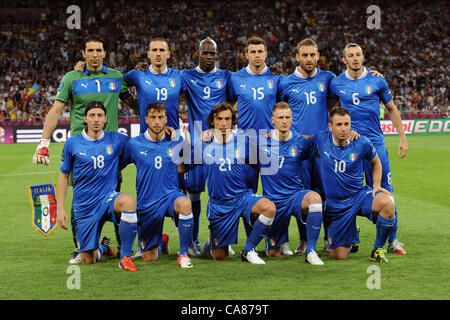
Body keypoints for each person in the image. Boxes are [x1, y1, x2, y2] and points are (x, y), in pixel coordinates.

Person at [33, 35, 136, 263]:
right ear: (84, 53)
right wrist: (43, 142)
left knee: (117, 198)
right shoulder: (72, 78)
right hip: (80, 151)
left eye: (99, 50)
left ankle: (123, 249)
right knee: (78, 201)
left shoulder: (115, 77)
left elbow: (135, 100)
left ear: (104, 53)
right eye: (90, 50)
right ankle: (85, 246)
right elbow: (56, 110)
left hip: (109, 152)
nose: (95, 54)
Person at [329, 43, 407, 255]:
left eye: (358, 55)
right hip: (348, 147)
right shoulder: (336, 83)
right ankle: (350, 237)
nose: (355, 59)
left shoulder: (377, 80)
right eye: (351, 56)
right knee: (347, 192)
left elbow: (391, 109)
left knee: (385, 191)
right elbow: (327, 109)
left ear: (363, 57)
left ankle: (393, 241)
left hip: (376, 145)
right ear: (344, 59)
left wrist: (402, 137)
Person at [183, 102, 276, 265]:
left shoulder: (244, 141)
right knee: (220, 257)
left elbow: (258, 163)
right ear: (212, 121)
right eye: (219, 119)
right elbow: (183, 165)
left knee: (269, 208)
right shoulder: (203, 144)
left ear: (233, 121)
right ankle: (213, 240)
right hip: (220, 205)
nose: (224, 123)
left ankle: (248, 250)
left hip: (243, 198)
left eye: (227, 119)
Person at [57, 101, 138, 271]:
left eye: (99, 115)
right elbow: (64, 176)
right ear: (85, 118)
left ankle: (126, 257)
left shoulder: (117, 139)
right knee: (88, 259)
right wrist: (60, 208)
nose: (96, 119)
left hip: (108, 198)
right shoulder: (72, 143)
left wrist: (170, 133)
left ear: (105, 119)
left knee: (128, 202)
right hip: (85, 205)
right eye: (92, 115)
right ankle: (103, 248)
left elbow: (142, 143)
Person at [313, 107, 397, 262]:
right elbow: (303, 140)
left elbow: (376, 162)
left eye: (347, 124)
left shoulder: (361, 142)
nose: (344, 128)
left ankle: (377, 249)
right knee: (338, 256)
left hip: (359, 196)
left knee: (388, 204)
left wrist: (376, 185)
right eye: (339, 124)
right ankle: (352, 236)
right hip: (336, 206)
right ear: (330, 126)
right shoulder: (321, 139)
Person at [120, 103, 194, 269]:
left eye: (160, 117)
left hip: (170, 196)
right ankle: (162, 241)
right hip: (147, 203)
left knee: (185, 203)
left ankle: (183, 254)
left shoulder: (176, 141)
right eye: (153, 117)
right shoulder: (134, 144)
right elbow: (118, 166)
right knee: (149, 258)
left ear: (166, 119)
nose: (156, 121)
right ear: (146, 119)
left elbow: (184, 165)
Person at [180, 38, 232, 256]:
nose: (209, 57)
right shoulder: (186, 75)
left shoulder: (226, 77)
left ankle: (219, 239)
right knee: (193, 194)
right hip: (196, 144)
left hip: (221, 145)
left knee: (222, 193)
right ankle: (192, 241)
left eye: (213, 53)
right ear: (198, 53)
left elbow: (240, 100)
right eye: (206, 53)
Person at [259, 102, 324, 265]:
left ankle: (311, 250)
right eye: (280, 117)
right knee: (273, 254)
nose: (284, 121)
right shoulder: (259, 142)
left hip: (295, 197)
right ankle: (278, 242)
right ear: (273, 120)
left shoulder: (300, 142)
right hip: (274, 203)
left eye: (287, 117)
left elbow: (324, 147)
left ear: (292, 119)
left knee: (315, 199)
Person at [123, 38, 185, 133]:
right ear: (149, 54)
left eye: (162, 50)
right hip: (146, 139)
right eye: (154, 50)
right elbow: (118, 83)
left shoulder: (178, 76)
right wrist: (134, 103)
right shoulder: (138, 74)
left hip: (172, 140)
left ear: (168, 54)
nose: (158, 53)